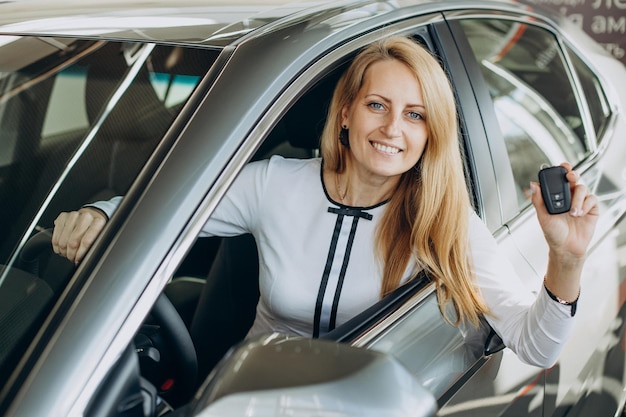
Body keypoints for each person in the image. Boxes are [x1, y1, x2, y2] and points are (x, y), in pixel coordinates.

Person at [52, 36, 598, 368]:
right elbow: (164, 212)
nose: (391, 129)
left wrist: (566, 258)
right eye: (377, 105)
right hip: (245, 397)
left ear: (432, 131)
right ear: (345, 114)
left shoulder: (446, 220)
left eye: (414, 114)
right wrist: (101, 214)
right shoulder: (274, 184)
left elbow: (536, 346)